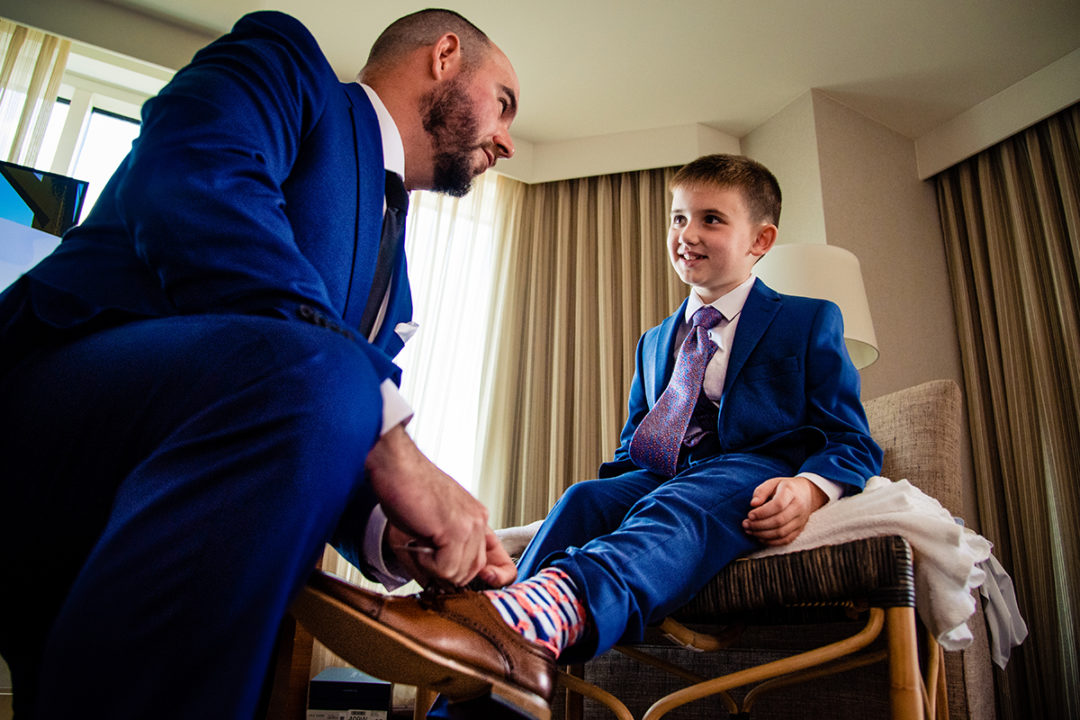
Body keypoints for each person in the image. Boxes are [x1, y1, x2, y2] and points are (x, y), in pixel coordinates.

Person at [0, 9, 525, 719]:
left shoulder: (396, 281)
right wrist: (390, 437)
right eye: (504, 103)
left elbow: (295, 420)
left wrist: (392, 529)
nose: (508, 140)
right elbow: (194, 177)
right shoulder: (287, 62)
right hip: (41, 426)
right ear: (445, 55)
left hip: (162, 529)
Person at [314, 153, 884, 719]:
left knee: (679, 502)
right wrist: (609, 500)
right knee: (584, 498)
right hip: (660, 474)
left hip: (748, 471)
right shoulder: (656, 341)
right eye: (678, 218)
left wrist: (809, 489)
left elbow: (852, 438)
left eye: (712, 219)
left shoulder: (807, 319)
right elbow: (634, 449)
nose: (687, 234)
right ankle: (479, 632)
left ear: (760, 241)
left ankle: (542, 613)